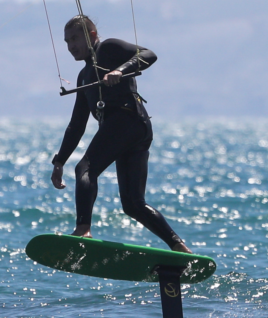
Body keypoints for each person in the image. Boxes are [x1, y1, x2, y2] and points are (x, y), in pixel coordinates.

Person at [50, 16, 191, 253]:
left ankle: (83, 229)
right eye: (67, 42)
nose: (71, 46)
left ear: (92, 36)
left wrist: (120, 70)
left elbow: (148, 55)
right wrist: (59, 161)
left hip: (128, 121)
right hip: (131, 130)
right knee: (133, 204)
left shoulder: (108, 48)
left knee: (85, 168)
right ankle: (179, 247)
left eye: (75, 38)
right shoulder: (84, 76)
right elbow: (77, 125)